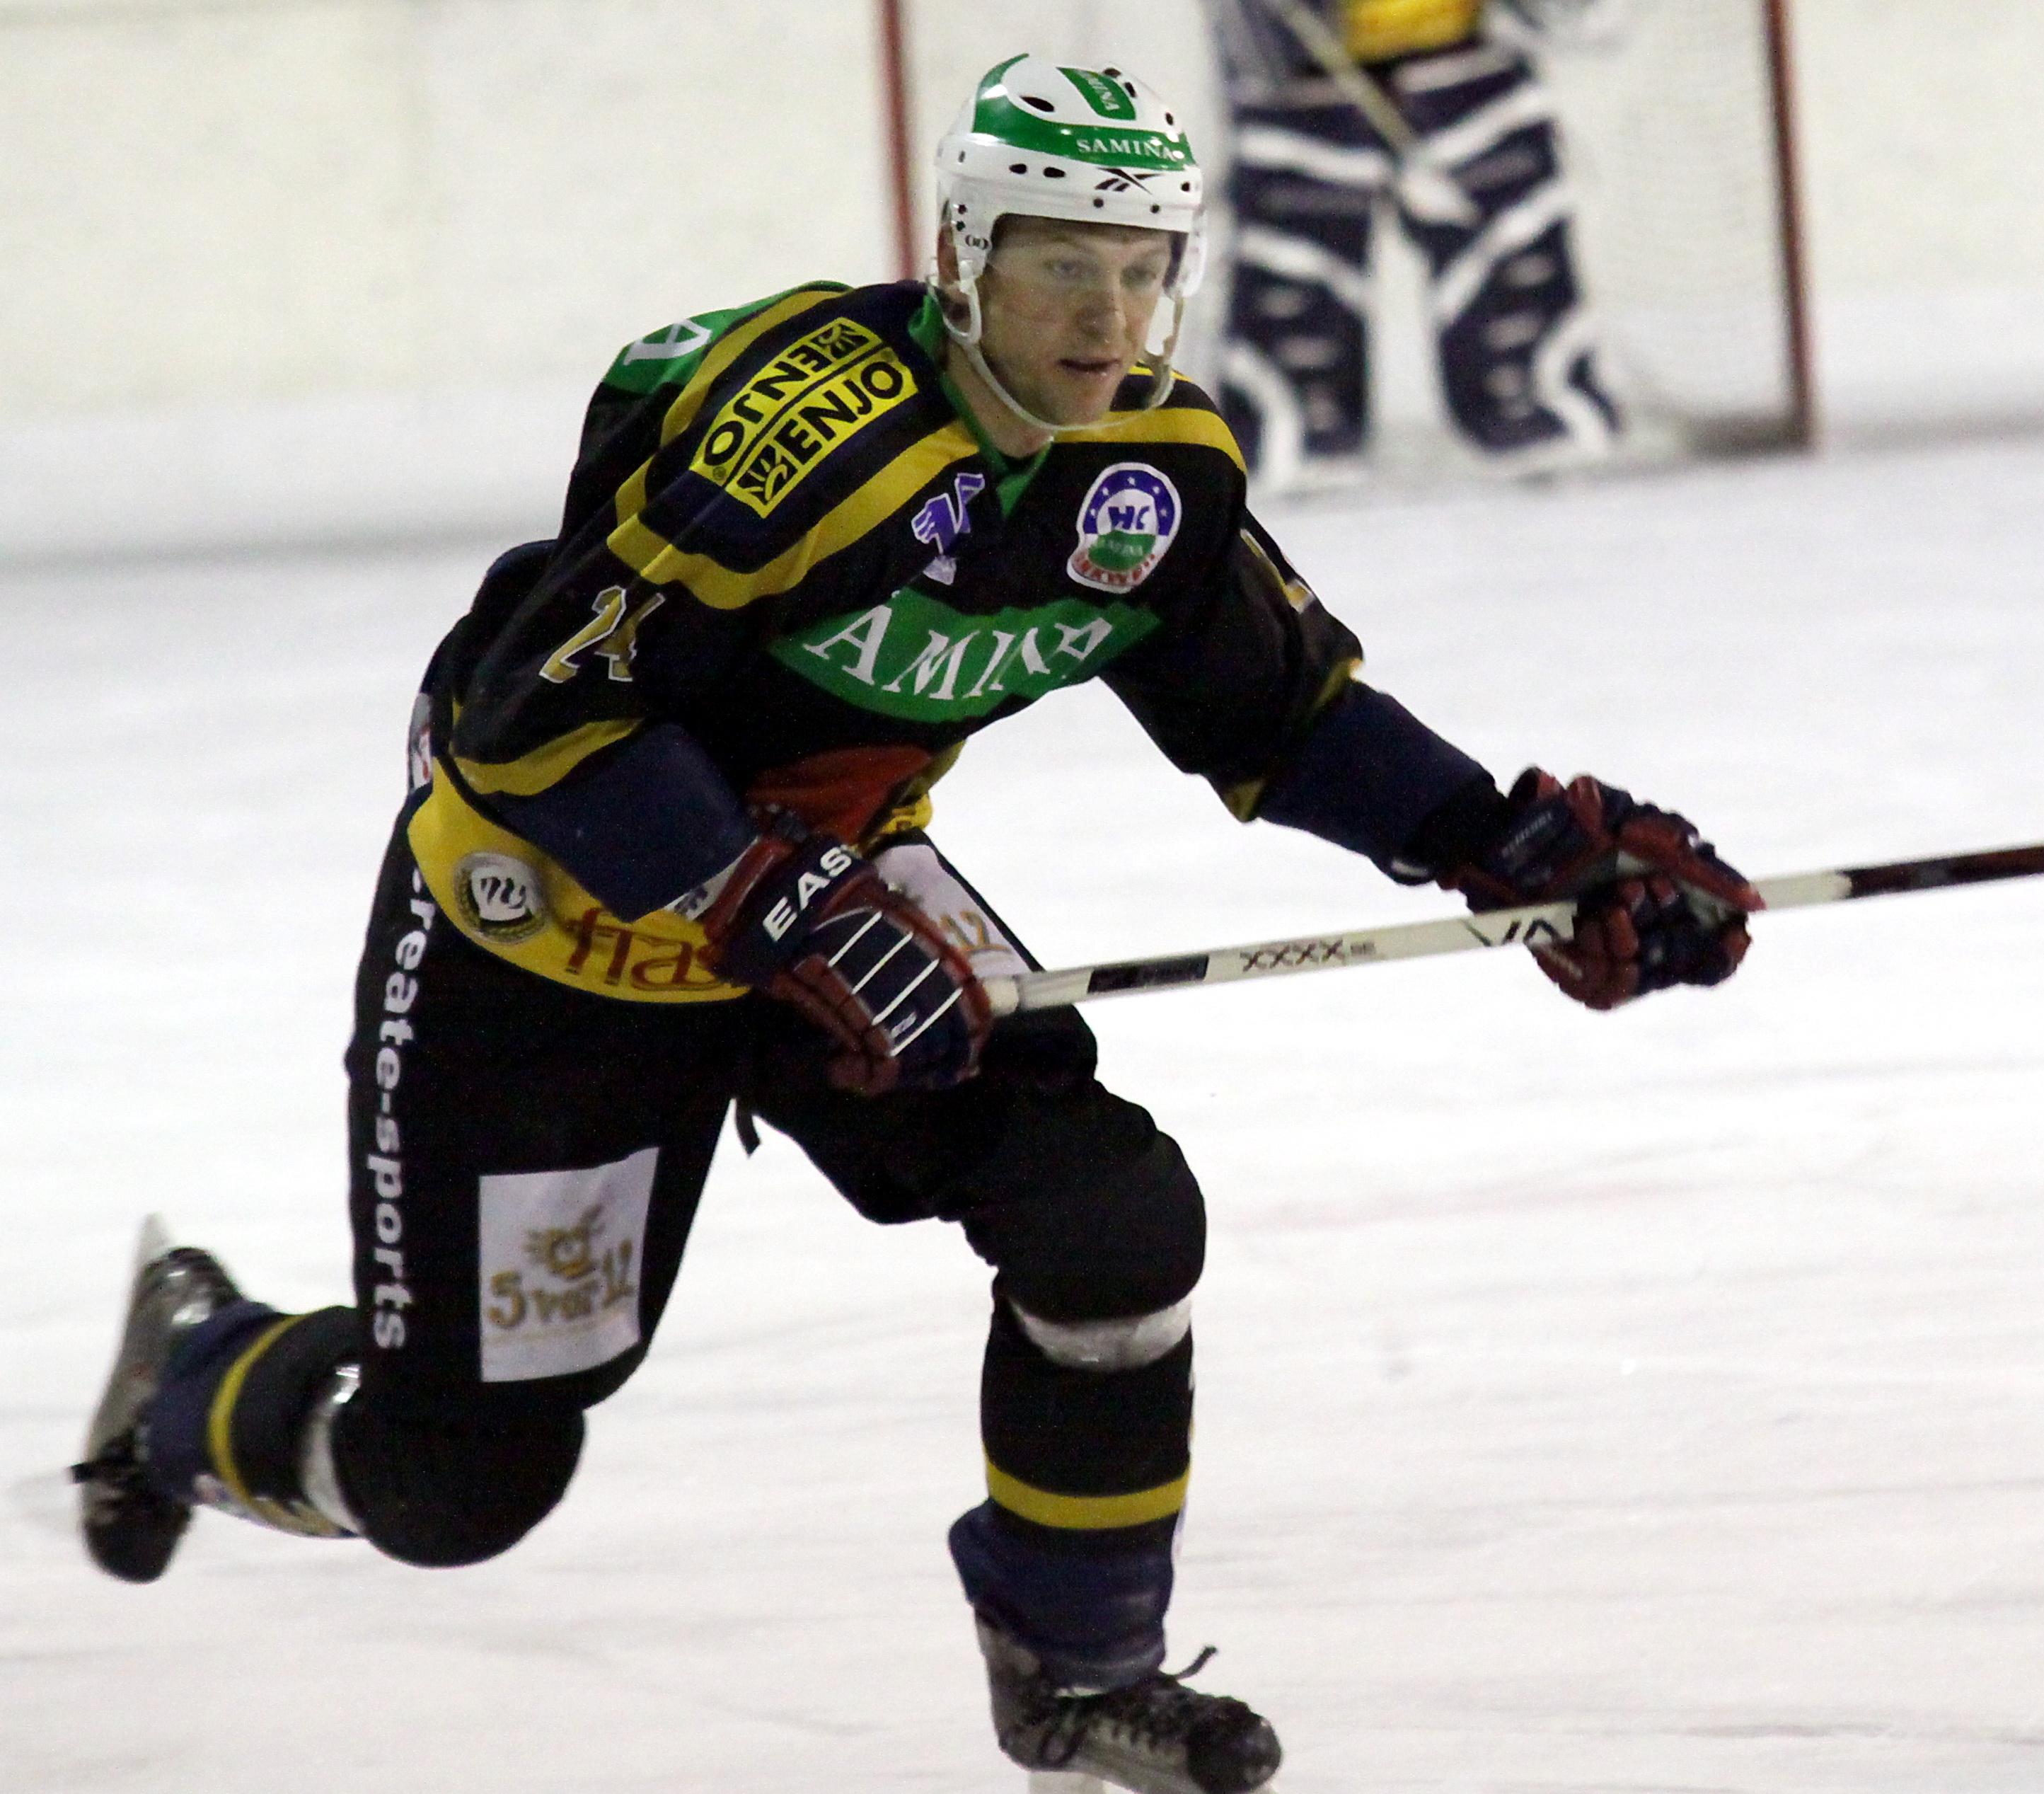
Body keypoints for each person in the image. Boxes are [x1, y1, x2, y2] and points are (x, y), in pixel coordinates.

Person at [70, 52, 1751, 1794]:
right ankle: (190, 1372)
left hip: (840, 892)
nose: (1105, 318)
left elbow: (1282, 715)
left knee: (1111, 1214)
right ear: (959, 255)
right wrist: (760, 894)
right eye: (1060, 264)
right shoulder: (809, 433)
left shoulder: (1151, 472)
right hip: (556, 921)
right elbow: (527, 709)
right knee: (456, 1484)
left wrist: (1513, 847)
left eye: (1141, 268)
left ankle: (1080, 1674)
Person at [1207, 0, 1622, 490]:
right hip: (1301, 67)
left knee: (1513, 256)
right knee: (1295, 267)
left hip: (1468, 52)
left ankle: (1536, 403)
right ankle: (1290, 426)